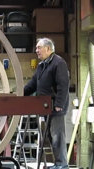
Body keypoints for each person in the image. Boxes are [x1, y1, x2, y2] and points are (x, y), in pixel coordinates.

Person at [24, 38, 69, 169]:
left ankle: (62, 165)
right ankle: (58, 163)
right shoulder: (42, 65)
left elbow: (63, 84)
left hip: (56, 107)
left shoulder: (58, 63)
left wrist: (59, 103)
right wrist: (19, 93)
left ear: (48, 49)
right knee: (50, 135)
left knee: (57, 135)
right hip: (45, 107)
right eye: (36, 48)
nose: (36, 50)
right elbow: (33, 85)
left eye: (39, 48)